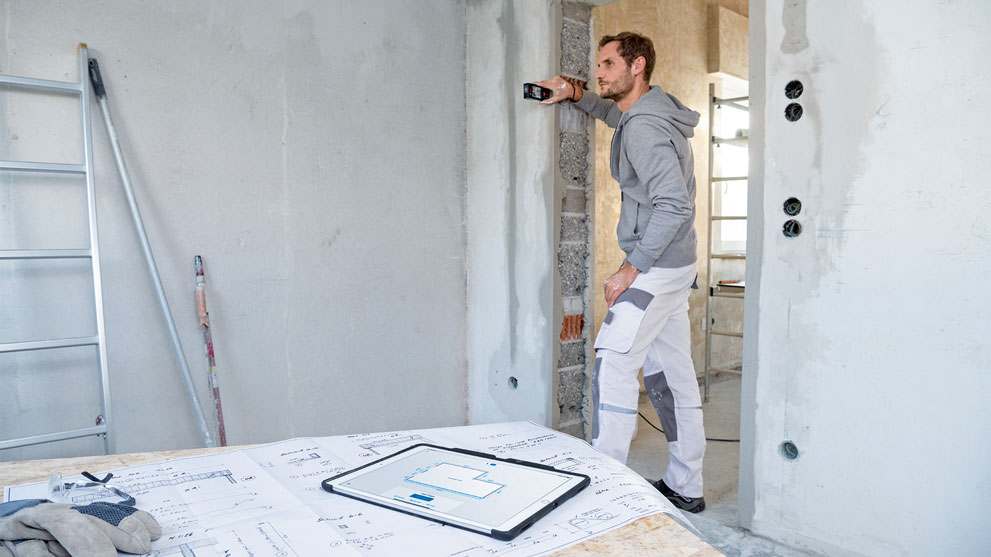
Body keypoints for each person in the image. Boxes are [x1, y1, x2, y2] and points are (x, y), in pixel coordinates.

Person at [535, 32, 705, 513]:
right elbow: (618, 117)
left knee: (612, 366)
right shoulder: (648, 111)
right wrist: (576, 95)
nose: (600, 70)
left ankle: (601, 494)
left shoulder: (647, 129)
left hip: (655, 269)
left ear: (638, 65)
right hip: (677, 266)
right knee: (673, 376)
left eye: (609, 63)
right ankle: (686, 485)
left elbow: (673, 206)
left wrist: (631, 268)